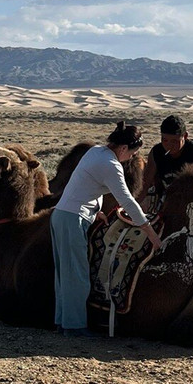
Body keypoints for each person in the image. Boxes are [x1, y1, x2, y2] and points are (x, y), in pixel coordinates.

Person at [51, 122, 161, 337]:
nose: (130, 158)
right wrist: (150, 232)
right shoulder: (111, 165)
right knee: (77, 275)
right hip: (73, 219)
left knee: (64, 273)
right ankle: (74, 327)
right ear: (123, 149)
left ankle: (62, 321)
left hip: (62, 215)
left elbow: (88, 186)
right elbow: (127, 201)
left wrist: (95, 210)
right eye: (132, 153)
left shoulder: (95, 152)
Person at [141, 115, 193, 208]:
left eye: (174, 141)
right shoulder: (156, 152)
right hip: (164, 201)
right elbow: (145, 185)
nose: (169, 145)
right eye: (165, 140)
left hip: (190, 203)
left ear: (185, 136)